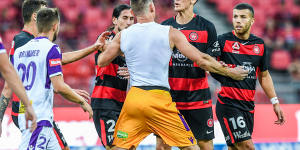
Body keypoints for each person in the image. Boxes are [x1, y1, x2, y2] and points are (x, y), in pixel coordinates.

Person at [97, 0, 248, 149]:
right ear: (151, 8)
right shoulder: (169, 31)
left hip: (134, 99)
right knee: (191, 147)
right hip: (159, 99)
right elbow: (202, 60)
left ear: (133, 12)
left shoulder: (124, 35)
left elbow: (102, 61)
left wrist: (101, 46)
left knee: (120, 147)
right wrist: (230, 72)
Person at [0, 0, 101, 149]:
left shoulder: (25, 46)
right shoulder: (25, 41)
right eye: (43, 12)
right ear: (36, 17)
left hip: (32, 111)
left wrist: (92, 48)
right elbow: (15, 83)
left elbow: (54, 62)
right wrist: (81, 100)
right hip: (32, 111)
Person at [211, 3, 285, 150]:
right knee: (247, 146)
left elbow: (264, 76)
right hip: (228, 103)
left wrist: (275, 101)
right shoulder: (223, 41)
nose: (238, 20)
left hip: (248, 107)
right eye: (235, 17)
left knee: (235, 148)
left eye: (243, 17)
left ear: (252, 21)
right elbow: (209, 65)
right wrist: (226, 71)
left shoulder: (260, 45)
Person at [159, 0, 220, 149]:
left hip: (198, 100)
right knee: (162, 146)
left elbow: (212, 61)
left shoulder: (207, 27)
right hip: (170, 100)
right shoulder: (164, 27)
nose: (176, 1)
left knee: (205, 146)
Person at [91, 4, 134, 149]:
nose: (129, 22)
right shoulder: (106, 37)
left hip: (123, 104)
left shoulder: (133, 42)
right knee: (114, 147)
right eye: (125, 18)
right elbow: (105, 52)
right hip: (105, 104)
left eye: (132, 19)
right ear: (115, 20)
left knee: (128, 146)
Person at [0, 37, 37, 137]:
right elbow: (7, 72)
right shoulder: (24, 40)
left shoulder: (19, 40)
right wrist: (28, 105)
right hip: (28, 109)